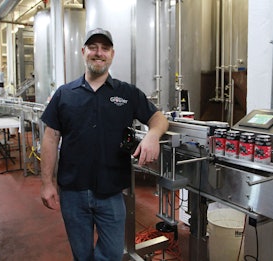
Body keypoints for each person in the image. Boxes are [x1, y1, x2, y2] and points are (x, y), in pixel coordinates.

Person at [40, 28, 169, 261]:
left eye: (105, 48)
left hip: (111, 192)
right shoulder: (64, 94)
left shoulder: (126, 93)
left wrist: (152, 135)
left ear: (112, 54)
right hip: (72, 192)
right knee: (81, 255)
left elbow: (159, 118)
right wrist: (46, 183)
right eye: (93, 47)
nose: (99, 53)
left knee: (111, 254)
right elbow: (50, 138)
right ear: (83, 52)